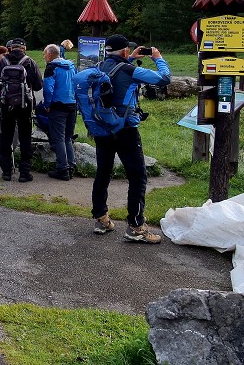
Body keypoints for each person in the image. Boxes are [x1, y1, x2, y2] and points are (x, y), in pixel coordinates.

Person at [91, 34, 171, 244]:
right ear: (125, 51)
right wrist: (158, 58)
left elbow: (117, 75)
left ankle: (101, 219)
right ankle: (136, 227)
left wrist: (129, 59)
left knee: (103, 172)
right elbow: (164, 79)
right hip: (125, 130)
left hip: (102, 128)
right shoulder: (129, 70)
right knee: (137, 176)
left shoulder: (99, 67)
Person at [0, 38, 43, 182]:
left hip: (6, 105)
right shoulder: (29, 62)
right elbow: (38, 85)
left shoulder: (3, 62)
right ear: (24, 48)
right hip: (25, 105)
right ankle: (25, 172)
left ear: (11, 48)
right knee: (25, 137)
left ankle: (7, 171)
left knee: (6, 137)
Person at [42, 43, 78, 180]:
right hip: (72, 105)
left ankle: (62, 168)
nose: (44, 57)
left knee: (58, 138)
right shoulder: (71, 66)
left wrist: (47, 104)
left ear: (50, 55)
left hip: (58, 105)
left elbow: (48, 88)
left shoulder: (51, 67)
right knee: (68, 137)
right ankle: (71, 165)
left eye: (45, 54)